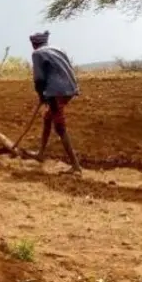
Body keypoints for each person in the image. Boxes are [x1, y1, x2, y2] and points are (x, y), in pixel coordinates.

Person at [27, 30, 82, 174]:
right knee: (47, 118)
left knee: (59, 126)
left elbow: (39, 79)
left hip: (56, 91)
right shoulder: (58, 49)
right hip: (70, 88)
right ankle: (40, 154)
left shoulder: (37, 54)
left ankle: (76, 166)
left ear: (34, 43)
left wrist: (41, 95)